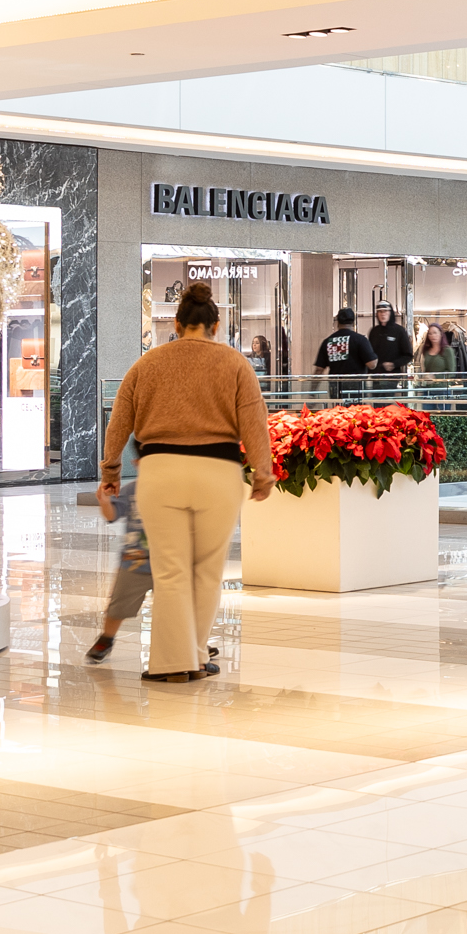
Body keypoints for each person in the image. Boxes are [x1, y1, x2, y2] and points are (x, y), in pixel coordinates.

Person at [101, 283, 275, 683]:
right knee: (207, 572)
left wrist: (111, 471)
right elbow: (254, 421)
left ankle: (172, 663)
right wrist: (262, 474)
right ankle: (196, 656)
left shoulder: (147, 364)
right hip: (218, 473)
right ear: (215, 325)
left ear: (177, 324)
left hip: (160, 472)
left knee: (170, 571)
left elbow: (119, 421)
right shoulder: (235, 363)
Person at [84, 472, 151, 665]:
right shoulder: (132, 490)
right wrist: (105, 502)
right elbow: (113, 515)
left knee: (179, 607)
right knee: (118, 605)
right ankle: (106, 639)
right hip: (134, 560)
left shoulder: (174, 489)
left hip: (169, 561)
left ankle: (195, 643)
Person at [313, 307, 371, 400]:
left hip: (335, 387)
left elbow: (319, 370)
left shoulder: (328, 342)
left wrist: (313, 391)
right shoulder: (360, 340)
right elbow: (372, 364)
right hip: (356, 387)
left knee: (338, 412)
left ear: (337, 323)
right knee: (356, 412)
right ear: (353, 322)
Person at [366, 302, 416, 402]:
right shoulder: (374, 331)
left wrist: (393, 364)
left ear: (390, 313)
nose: (382, 314)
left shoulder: (399, 331)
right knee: (376, 404)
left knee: (386, 403)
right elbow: (369, 353)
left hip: (391, 376)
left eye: (385, 311)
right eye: (380, 312)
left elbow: (408, 355)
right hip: (376, 376)